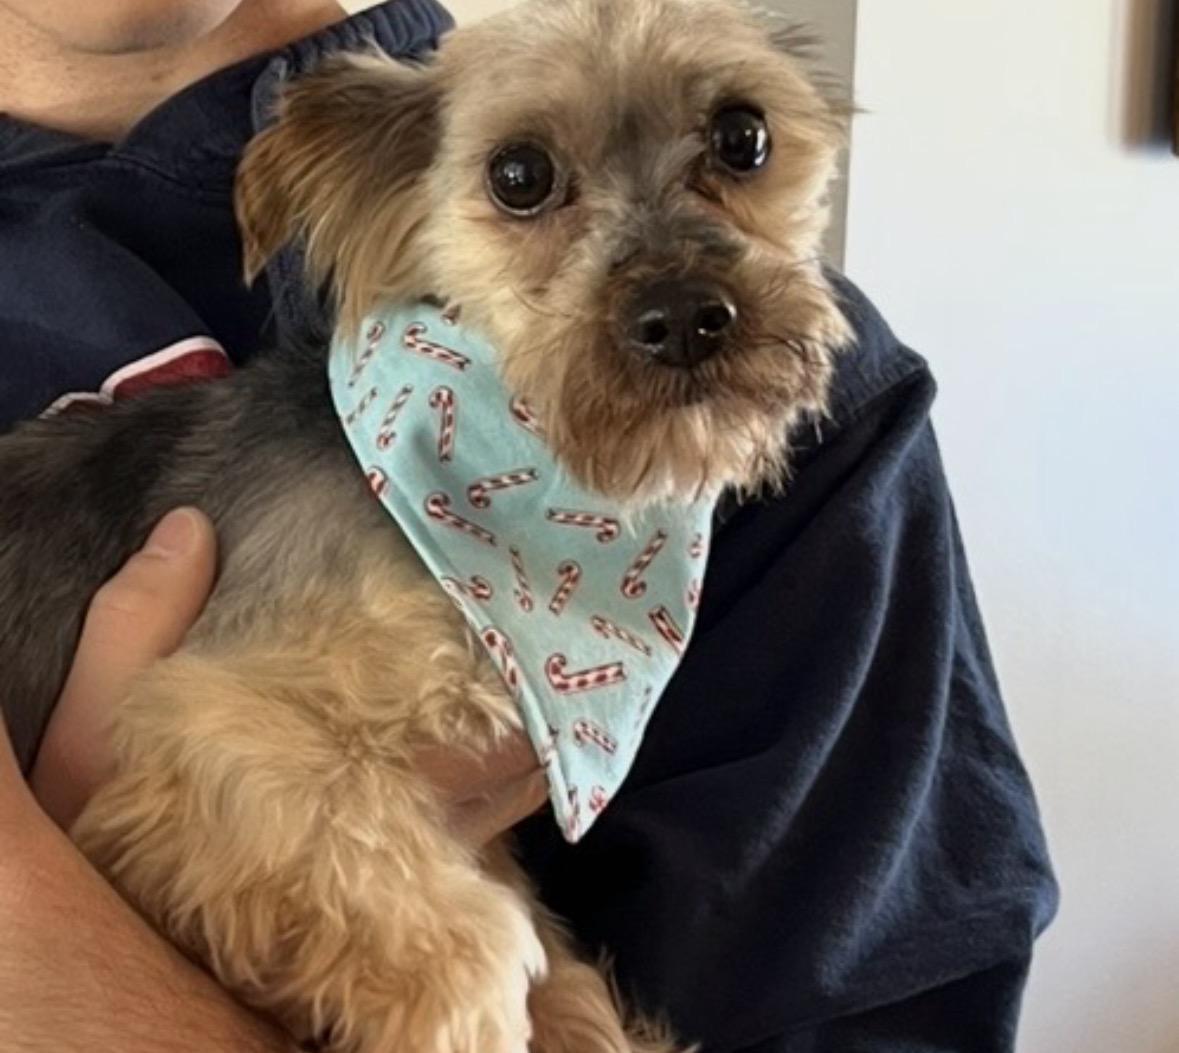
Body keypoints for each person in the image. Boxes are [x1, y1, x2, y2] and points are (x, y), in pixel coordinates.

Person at [0, 1, 1058, 1050]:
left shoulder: (813, 443)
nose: (676, 291)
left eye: (735, 148)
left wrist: (78, 963)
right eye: (525, 183)